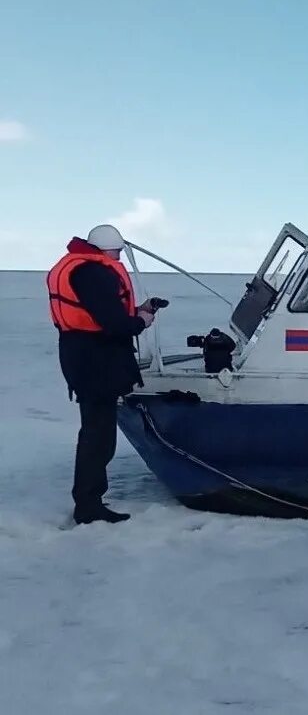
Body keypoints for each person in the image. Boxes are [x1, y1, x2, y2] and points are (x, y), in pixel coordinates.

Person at [46, 224, 158, 525]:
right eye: (118, 251)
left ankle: (89, 500)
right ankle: (88, 505)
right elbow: (114, 324)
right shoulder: (94, 273)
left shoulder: (82, 268)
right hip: (95, 361)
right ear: (107, 249)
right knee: (98, 436)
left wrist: (136, 311)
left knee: (96, 433)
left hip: (83, 356)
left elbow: (101, 314)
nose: (119, 257)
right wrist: (141, 321)